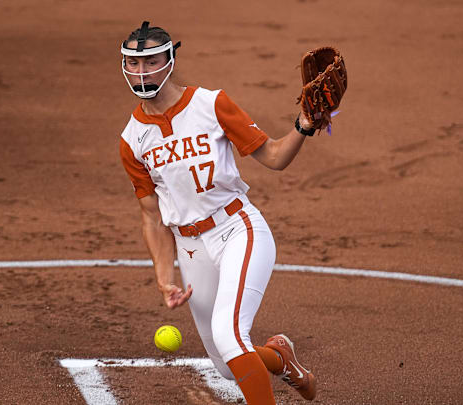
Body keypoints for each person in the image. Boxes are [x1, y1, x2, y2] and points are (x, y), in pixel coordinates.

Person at [118, 21, 324, 404]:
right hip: (190, 249)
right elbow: (151, 216)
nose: (141, 72)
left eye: (150, 62)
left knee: (231, 338)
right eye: (133, 64)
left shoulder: (211, 104)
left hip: (237, 229)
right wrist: (165, 278)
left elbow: (275, 157)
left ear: (170, 61)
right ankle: (281, 359)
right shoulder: (132, 139)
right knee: (228, 365)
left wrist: (305, 125)